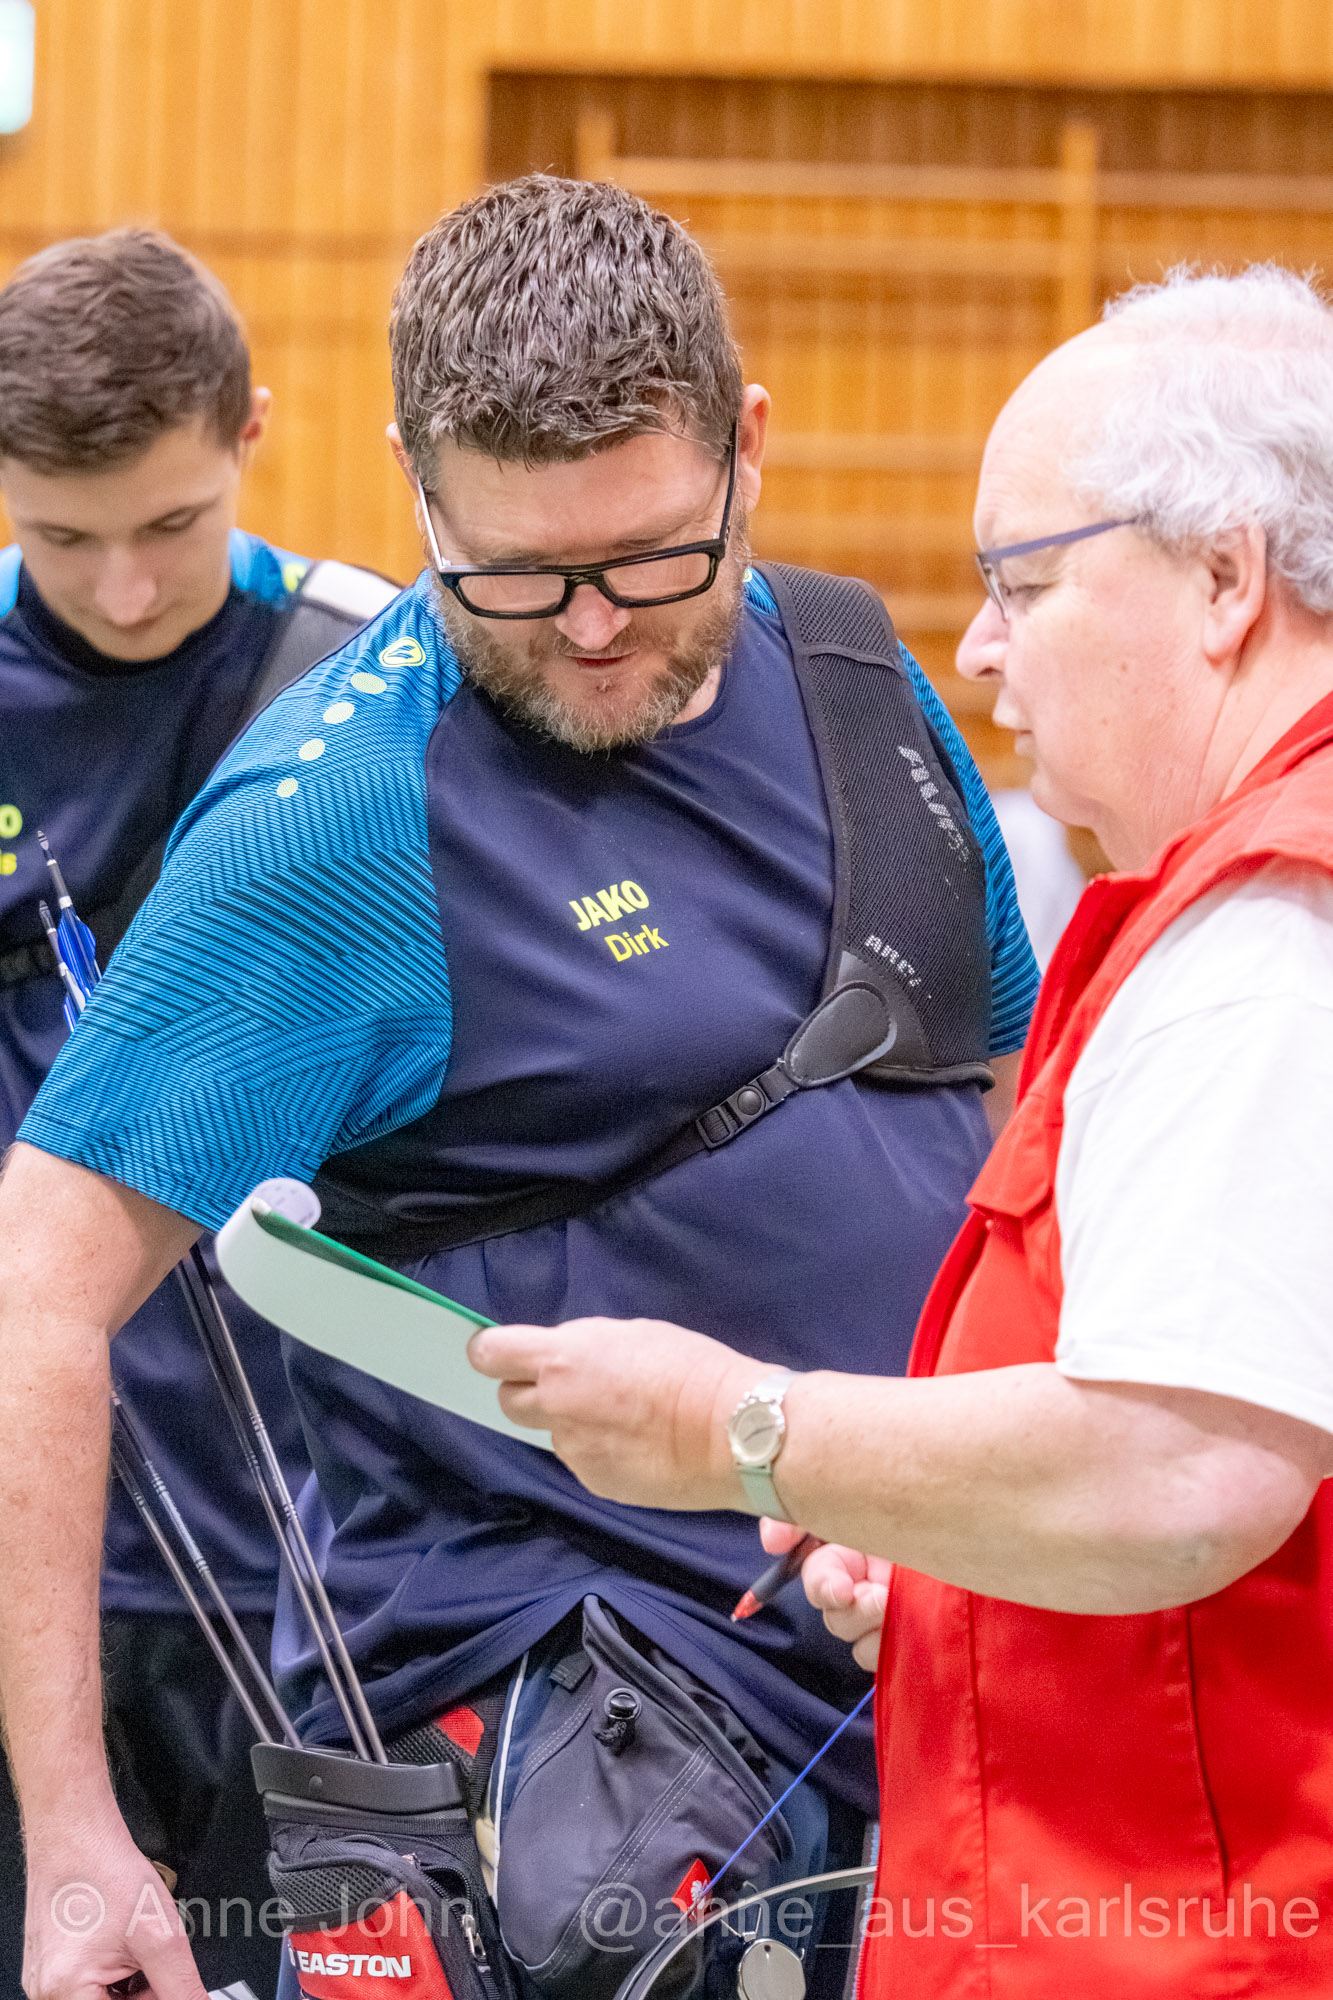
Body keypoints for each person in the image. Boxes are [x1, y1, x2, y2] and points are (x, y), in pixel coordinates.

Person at [0, 176, 1037, 2000]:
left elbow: (1011, 1135)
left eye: (649, 557)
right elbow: (40, 1289)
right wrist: (77, 1832)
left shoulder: (861, 675)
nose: (591, 627)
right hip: (571, 1741)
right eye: (515, 577)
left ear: (746, 450)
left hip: (938, 1651)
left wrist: (997, 1489)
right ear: (417, 488)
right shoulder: (331, 821)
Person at [469, 262, 1333, 1996]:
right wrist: (952, 1557)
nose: (983, 648)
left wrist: (742, 1430)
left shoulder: (1266, 943)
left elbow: (1183, 1473)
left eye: (1024, 580)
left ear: (1223, 581)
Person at [0, 229, 397, 1995]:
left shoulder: (378, 678)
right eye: (58, 538)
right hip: (40, 1555)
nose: (124, 588)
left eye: (169, 524)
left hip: (325, 1556)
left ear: (253, 430)